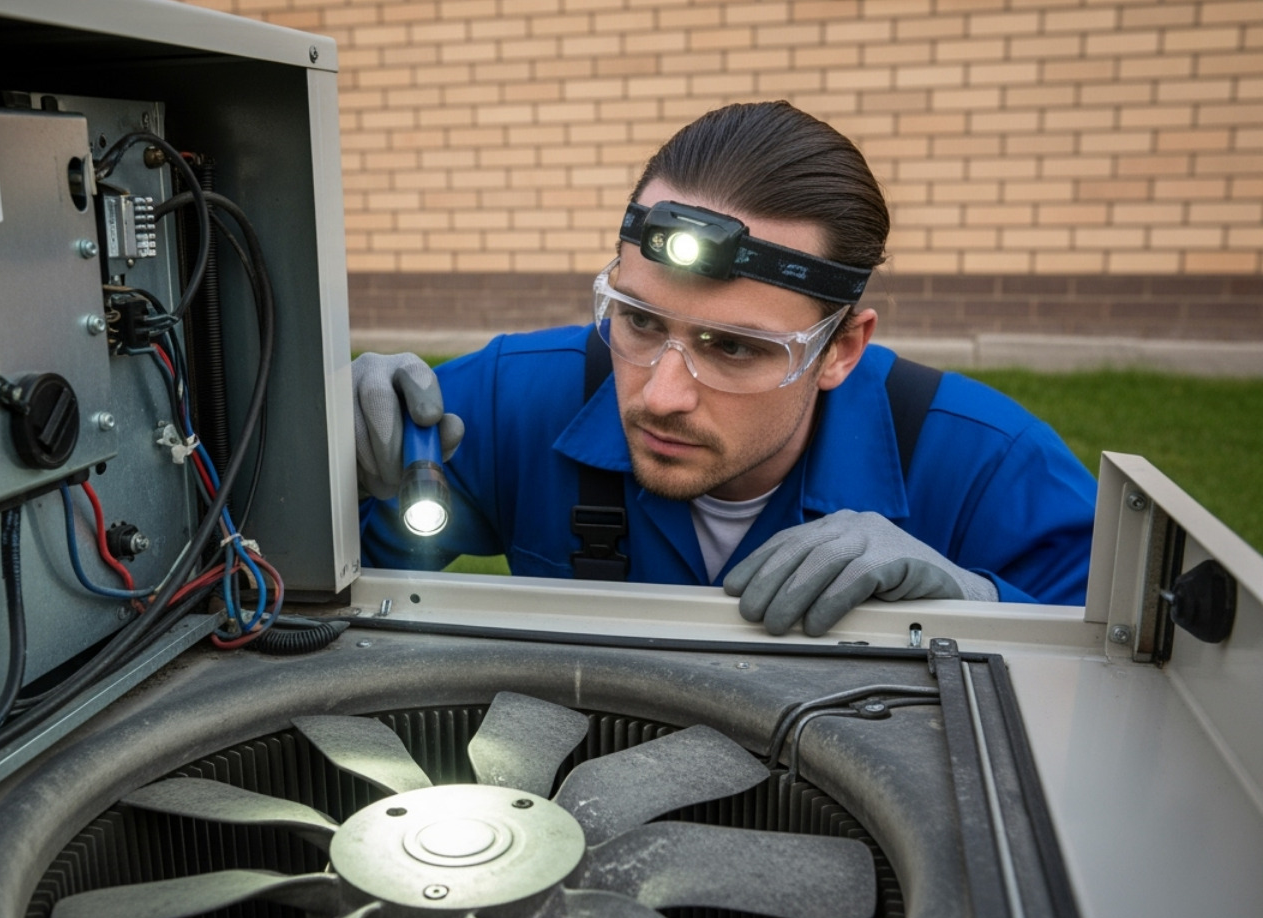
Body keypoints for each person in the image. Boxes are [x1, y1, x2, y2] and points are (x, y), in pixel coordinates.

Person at [353, 101, 1096, 637]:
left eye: (734, 347)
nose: (660, 395)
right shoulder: (515, 394)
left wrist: (979, 605)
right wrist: (324, 466)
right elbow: (296, 583)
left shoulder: (985, 463)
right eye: (640, 321)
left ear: (839, 348)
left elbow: (1128, 678)